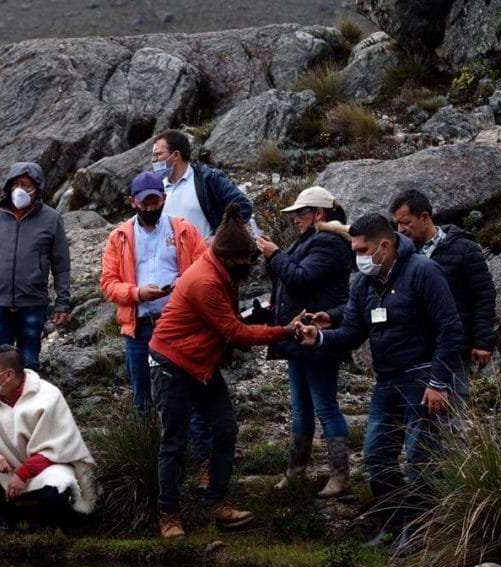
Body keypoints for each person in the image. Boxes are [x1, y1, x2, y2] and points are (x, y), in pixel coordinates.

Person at [298, 213, 463, 548]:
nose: (358, 258)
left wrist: (440, 383)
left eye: (362, 250)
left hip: (422, 377)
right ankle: (392, 523)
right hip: (386, 380)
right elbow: (353, 332)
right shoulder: (364, 284)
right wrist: (320, 338)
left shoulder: (423, 271)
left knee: (421, 457)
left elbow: (451, 329)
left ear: (384, 246)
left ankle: (420, 532)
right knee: (376, 456)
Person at [149, 203, 300, 539]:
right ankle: (169, 515)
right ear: (230, 257)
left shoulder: (223, 272)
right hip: (173, 365)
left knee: (225, 427)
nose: (250, 265)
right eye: (245, 259)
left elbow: (228, 324)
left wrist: (261, 315)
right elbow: (234, 332)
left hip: (201, 364)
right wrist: (283, 331)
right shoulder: (205, 280)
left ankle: (215, 501)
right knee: (173, 442)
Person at [100, 171, 215, 489]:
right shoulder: (119, 237)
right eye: (145, 201)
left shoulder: (183, 230)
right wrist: (136, 293)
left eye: (156, 199)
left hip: (178, 327)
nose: (151, 205)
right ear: (133, 201)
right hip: (139, 329)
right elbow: (108, 284)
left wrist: (184, 285)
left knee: (189, 398)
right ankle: (152, 467)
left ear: (163, 199)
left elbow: (205, 268)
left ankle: (202, 465)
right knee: (144, 400)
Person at [255, 186, 355, 498]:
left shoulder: (328, 242)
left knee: (324, 405)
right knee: (301, 407)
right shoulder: (313, 240)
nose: (296, 218)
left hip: (317, 337)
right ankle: (296, 472)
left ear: (319, 213)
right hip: (300, 337)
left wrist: (274, 254)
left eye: (301, 212)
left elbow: (301, 277)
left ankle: (339, 475)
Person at [0, 345, 97, 530]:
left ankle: (49, 522)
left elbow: (60, 447)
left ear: (9, 375)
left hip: (45, 468)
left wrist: (24, 474)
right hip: (6, 469)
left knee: (58, 488)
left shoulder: (48, 396)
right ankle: (6, 515)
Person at [0, 162, 71, 372]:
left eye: (26, 185)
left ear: (37, 189)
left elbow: (61, 264)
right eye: (16, 184)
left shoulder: (51, 219)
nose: (20, 189)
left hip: (32, 303)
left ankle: (27, 404)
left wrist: (63, 303)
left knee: (29, 363)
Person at [390, 189, 496, 401]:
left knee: (452, 408)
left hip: (452, 346)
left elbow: (483, 294)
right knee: (416, 414)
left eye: (406, 223)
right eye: (397, 225)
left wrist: (483, 341)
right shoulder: (402, 254)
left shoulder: (464, 248)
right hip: (413, 348)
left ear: (425, 217)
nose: (401, 230)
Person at [151, 130, 253, 239]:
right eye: (153, 155)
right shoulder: (155, 187)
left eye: (158, 154)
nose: (154, 160)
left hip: (205, 254)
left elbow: (243, 206)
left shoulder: (209, 179)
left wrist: (219, 238)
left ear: (176, 155)